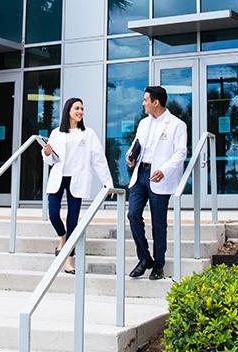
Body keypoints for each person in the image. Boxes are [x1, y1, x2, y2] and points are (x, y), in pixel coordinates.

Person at [42, 98, 114, 274]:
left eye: (82, 108)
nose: (80, 111)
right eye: (77, 108)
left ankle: (69, 259)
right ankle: (63, 238)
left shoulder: (88, 134)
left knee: (73, 220)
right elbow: (50, 160)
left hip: (77, 178)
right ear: (68, 111)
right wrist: (46, 153)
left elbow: (98, 159)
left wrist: (108, 182)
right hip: (59, 177)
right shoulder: (56, 133)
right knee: (53, 214)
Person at [125, 86, 187, 280]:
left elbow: (181, 153)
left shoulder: (177, 125)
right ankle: (145, 259)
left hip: (159, 176)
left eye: (145, 100)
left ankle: (158, 265)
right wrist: (129, 156)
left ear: (155, 102)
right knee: (133, 214)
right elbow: (136, 143)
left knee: (158, 223)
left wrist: (165, 170)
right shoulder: (143, 123)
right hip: (141, 173)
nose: (143, 103)